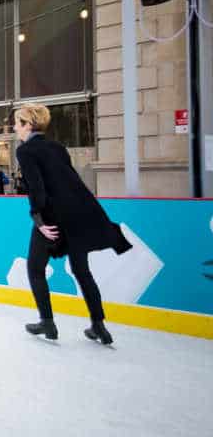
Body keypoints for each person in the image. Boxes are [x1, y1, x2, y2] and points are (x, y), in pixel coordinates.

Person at [13, 103, 132, 345]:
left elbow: (37, 188)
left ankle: (47, 322)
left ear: (27, 125)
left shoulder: (26, 151)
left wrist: (38, 221)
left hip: (54, 218)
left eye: (17, 123)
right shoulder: (57, 147)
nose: (15, 128)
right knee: (82, 271)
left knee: (35, 269)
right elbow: (68, 182)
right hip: (81, 214)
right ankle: (99, 326)